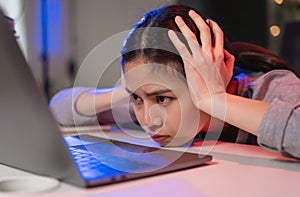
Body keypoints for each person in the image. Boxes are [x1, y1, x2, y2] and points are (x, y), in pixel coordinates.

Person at [49, 5, 300, 158]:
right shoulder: (148, 106)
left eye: (162, 98)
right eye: (138, 98)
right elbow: (59, 108)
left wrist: (215, 99)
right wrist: (127, 92)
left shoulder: (271, 88)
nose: (149, 121)